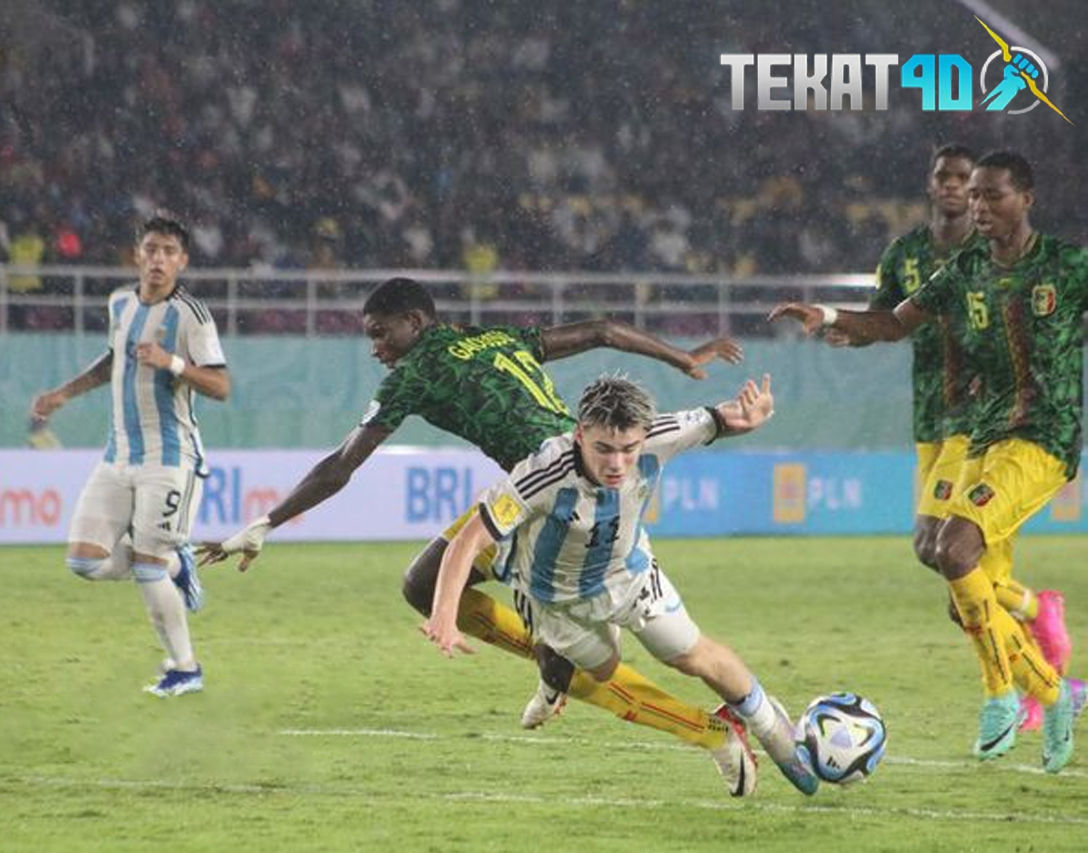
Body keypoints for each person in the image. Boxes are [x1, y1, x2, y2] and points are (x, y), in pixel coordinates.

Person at [199, 277, 768, 781]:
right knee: (424, 585)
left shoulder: (416, 371)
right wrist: (681, 357)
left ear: (415, 323)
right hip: (567, 477)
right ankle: (554, 666)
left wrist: (267, 522)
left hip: (540, 502)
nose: (375, 348)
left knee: (474, 605)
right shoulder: (493, 337)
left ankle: (705, 731)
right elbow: (601, 329)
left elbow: (342, 464)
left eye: (381, 334)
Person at [769, 151, 1086, 772]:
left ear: (1027, 199)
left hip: (1044, 436)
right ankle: (1052, 696)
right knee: (961, 594)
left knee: (953, 550)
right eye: (976, 198)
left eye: (993, 196)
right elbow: (894, 321)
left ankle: (999, 696)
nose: (981, 207)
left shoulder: (1067, 267)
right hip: (984, 433)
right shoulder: (965, 267)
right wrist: (830, 315)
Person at [421, 374, 817, 796]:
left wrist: (748, 417)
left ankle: (775, 733)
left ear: (643, 437)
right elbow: (468, 540)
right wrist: (445, 613)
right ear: (579, 435)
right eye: (603, 449)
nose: (616, 463)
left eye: (628, 450)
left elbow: (718, 418)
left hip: (630, 576)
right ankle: (553, 678)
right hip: (558, 599)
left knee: (692, 654)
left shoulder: (662, 436)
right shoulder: (541, 474)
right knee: (605, 668)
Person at [852, 144, 1068, 733]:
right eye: (950, 181)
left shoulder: (996, 253)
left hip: (983, 421)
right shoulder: (907, 254)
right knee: (946, 565)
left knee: (950, 555)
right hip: (932, 415)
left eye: (970, 184)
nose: (960, 193)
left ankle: (1027, 687)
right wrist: (840, 326)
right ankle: (1032, 616)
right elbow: (887, 318)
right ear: (932, 186)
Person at [31, 213, 230, 697]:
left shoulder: (191, 316)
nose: (158, 259)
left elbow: (221, 385)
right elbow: (113, 359)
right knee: (84, 562)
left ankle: (185, 669)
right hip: (117, 456)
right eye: (151, 249)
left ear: (182, 261)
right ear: (137, 254)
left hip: (170, 459)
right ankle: (176, 562)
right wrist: (65, 393)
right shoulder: (120, 302)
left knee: (145, 565)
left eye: (168, 252)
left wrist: (173, 362)